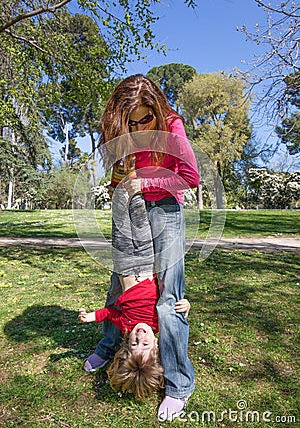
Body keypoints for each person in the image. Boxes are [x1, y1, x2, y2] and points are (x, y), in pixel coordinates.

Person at [89, 74, 199, 421]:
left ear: (157, 108)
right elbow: (124, 171)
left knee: (168, 301)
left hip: (165, 210)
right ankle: (110, 346)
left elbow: (190, 177)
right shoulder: (129, 130)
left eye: (144, 118)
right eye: (132, 120)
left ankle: (179, 384)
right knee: (117, 286)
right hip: (131, 207)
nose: (138, 125)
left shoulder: (174, 128)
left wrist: (146, 182)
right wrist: (119, 184)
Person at [79, 188, 190, 399]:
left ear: (126, 343)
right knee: (138, 219)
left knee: (120, 221)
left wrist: (91, 316)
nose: (139, 336)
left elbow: (111, 313)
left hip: (123, 264)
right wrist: (186, 307)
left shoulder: (126, 326)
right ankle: (135, 188)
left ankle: (121, 191)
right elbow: (174, 307)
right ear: (157, 344)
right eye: (145, 343)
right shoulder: (160, 322)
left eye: (133, 343)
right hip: (146, 262)